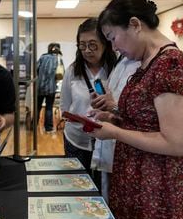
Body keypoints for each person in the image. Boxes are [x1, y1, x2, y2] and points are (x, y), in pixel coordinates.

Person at [91, 0, 183, 219]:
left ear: (135, 25)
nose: (114, 47)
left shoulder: (169, 66)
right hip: (136, 180)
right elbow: (146, 121)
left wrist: (116, 133)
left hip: (158, 186)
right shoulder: (146, 63)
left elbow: (177, 143)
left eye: (113, 37)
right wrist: (114, 118)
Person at [60, 18, 118, 172]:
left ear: (105, 43)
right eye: (82, 45)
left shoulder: (116, 69)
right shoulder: (73, 71)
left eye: (92, 45)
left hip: (108, 140)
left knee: (103, 187)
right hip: (76, 138)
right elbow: (65, 105)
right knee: (76, 184)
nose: (87, 50)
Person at [89, 53, 140, 202]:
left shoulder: (150, 64)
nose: (115, 46)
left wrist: (114, 108)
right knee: (109, 197)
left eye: (113, 36)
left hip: (130, 149)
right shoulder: (122, 60)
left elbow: (142, 117)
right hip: (111, 142)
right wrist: (106, 112)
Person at [37, 42, 63, 133]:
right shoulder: (58, 59)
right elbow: (61, 74)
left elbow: (36, 70)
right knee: (49, 108)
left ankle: (33, 126)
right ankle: (48, 128)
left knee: (38, 106)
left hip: (39, 86)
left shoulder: (42, 57)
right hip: (51, 88)